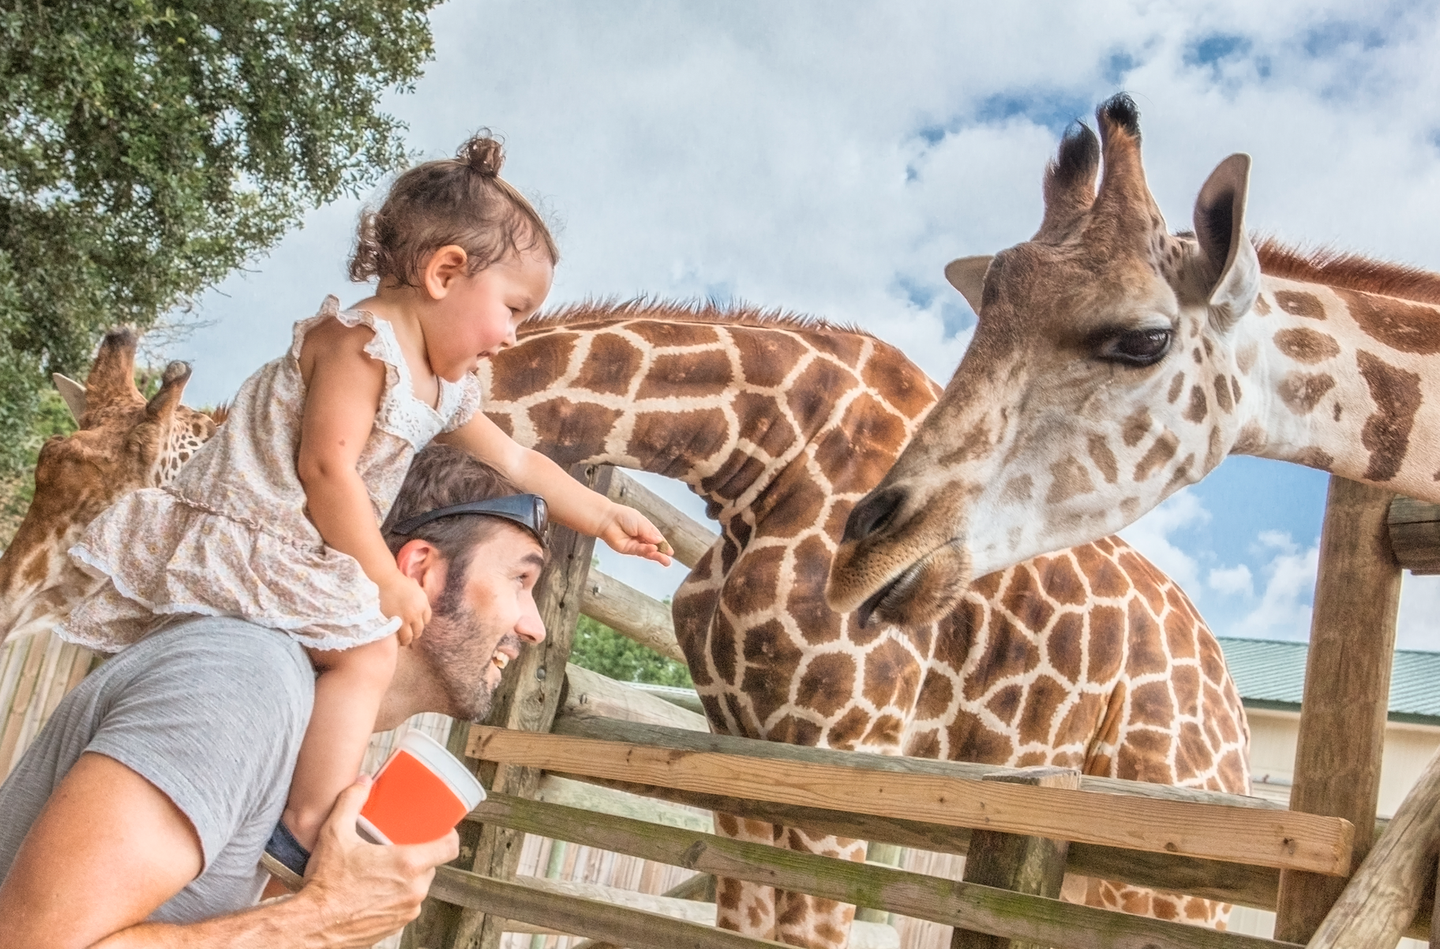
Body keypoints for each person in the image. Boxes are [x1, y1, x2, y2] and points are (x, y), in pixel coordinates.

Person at [50, 132, 672, 879]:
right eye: (512, 308)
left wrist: (599, 517)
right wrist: (383, 577)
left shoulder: (442, 389)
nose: (512, 335)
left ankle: (295, 799)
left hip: (307, 547)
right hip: (264, 534)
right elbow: (327, 469)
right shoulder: (358, 345)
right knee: (373, 644)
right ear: (445, 272)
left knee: (367, 650)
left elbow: (514, 458)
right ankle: (305, 824)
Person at [0, 445, 555, 947]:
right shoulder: (244, 681)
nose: (536, 628)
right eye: (520, 582)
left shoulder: (299, 720)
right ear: (420, 570)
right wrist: (318, 921)